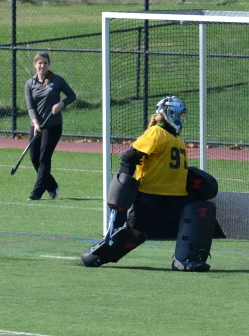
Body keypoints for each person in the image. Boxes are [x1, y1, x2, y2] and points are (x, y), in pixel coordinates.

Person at [81, 96, 218, 271]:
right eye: (180, 115)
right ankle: (96, 256)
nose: (181, 119)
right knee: (133, 232)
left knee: (199, 212)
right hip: (150, 193)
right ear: (170, 113)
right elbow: (129, 157)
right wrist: (122, 189)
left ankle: (186, 259)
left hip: (176, 194)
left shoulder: (175, 138)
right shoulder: (156, 133)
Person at [24, 52, 77, 201]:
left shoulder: (57, 80)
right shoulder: (30, 84)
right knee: (34, 158)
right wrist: (35, 123)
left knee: (44, 158)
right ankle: (52, 186)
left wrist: (61, 104)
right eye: (40, 63)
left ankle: (37, 192)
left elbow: (72, 96)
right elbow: (30, 107)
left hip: (53, 126)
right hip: (36, 126)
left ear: (49, 64)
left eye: (45, 63)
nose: (42, 66)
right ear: (35, 64)